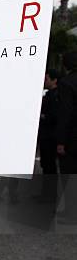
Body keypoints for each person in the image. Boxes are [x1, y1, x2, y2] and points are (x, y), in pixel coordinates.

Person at [56, 51, 77, 222]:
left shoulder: (66, 83)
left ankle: (71, 212)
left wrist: (61, 141)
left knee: (69, 176)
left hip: (72, 138)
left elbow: (66, 113)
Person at [37, 69, 60, 203]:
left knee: (49, 166)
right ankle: (46, 194)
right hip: (47, 136)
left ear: (54, 80)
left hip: (50, 137)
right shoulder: (51, 94)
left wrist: (42, 116)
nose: (44, 81)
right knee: (46, 166)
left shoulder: (55, 96)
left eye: (46, 79)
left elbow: (53, 116)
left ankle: (49, 196)